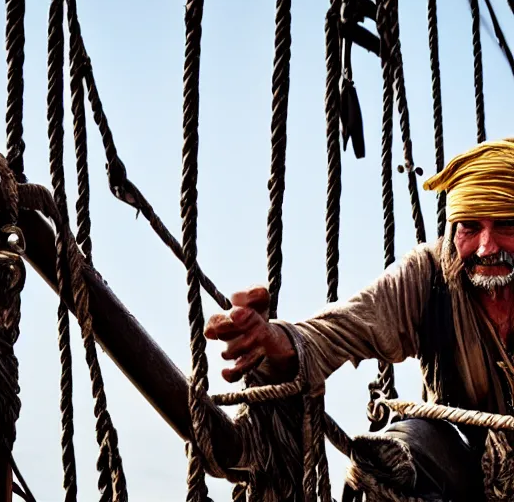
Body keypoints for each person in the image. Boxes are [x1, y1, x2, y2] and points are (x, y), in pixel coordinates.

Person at [205, 139, 514, 500]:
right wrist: (279, 342)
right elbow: (345, 326)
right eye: (469, 227)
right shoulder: (431, 276)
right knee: (391, 461)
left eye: (507, 224)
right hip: (462, 469)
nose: (486, 247)